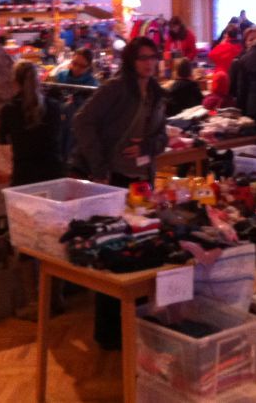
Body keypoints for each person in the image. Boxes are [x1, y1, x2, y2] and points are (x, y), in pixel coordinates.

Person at [71, 36, 167, 350]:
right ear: (131, 61)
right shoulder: (116, 89)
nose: (149, 63)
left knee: (139, 247)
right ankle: (109, 332)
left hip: (142, 181)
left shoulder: (156, 93)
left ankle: (134, 324)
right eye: (143, 58)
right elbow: (82, 121)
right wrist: (98, 165)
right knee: (112, 249)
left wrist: (148, 146)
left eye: (153, 57)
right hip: (114, 179)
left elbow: (162, 137)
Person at [0, 61, 65, 186]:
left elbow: (3, 142)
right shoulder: (54, 106)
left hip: (24, 175)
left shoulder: (9, 109)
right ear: (38, 80)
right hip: (53, 174)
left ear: (15, 81)